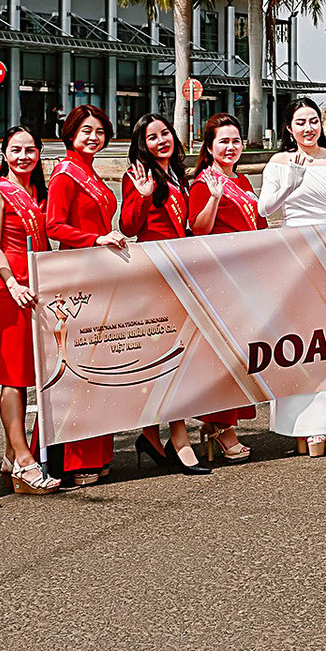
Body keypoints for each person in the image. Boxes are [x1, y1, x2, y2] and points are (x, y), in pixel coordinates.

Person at [259, 97, 326, 456]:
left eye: (314, 120)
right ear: (289, 128)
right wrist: (291, 182)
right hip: (291, 254)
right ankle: (296, 423)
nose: (308, 128)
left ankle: (322, 424)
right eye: (300, 122)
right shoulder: (278, 162)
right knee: (294, 339)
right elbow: (265, 208)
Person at [119, 112, 210, 475]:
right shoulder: (138, 175)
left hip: (180, 271)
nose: (162, 140)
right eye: (152, 136)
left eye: (166, 133)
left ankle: (150, 433)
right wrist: (141, 198)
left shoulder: (177, 175)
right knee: (167, 357)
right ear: (142, 143)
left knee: (175, 356)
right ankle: (178, 437)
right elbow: (128, 226)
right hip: (155, 273)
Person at [45, 104, 125, 484]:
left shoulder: (90, 172)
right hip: (76, 276)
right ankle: (75, 459)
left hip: (99, 273)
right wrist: (95, 238)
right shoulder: (65, 174)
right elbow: (54, 225)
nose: (93, 137)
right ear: (71, 133)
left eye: (99, 131)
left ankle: (99, 451)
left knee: (100, 366)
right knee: (79, 369)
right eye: (85, 130)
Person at [0, 124, 60, 495]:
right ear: (4, 154)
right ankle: (24, 462)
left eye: (30, 150)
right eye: (16, 150)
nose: (24, 156)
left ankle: (12, 454)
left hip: (39, 289)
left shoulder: (37, 192)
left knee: (34, 373)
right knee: (14, 377)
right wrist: (12, 283)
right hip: (11, 292)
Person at [189, 112, 266, 463]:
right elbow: (198, 230)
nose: (231, 147)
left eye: (236, 141)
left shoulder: (245, 182)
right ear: (209, 146)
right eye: (224, 141)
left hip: (246, 276)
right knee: (222, 356)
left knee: (241, 354)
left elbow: (261, 226)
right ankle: (220, 426)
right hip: (219, 278)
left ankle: (222, 424)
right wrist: (215, 198)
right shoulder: (203, 183)